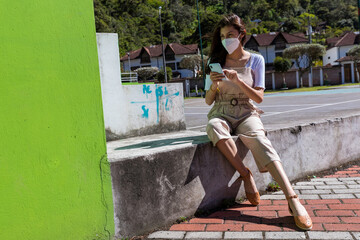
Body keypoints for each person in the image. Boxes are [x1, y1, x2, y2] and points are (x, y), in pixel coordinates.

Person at [204, 13, 312, 231]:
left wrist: (239, 81)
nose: (226, 40)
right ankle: (245, 175)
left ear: (242, 35)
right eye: (223, 36)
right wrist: (214, 86)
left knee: (260, 140)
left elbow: (259, 97)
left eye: (231, 35)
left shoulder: (256, 59)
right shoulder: (214, 62)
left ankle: (292, 198)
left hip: (246, 111)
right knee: (213, 126)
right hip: (222, 110)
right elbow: (208, 101)